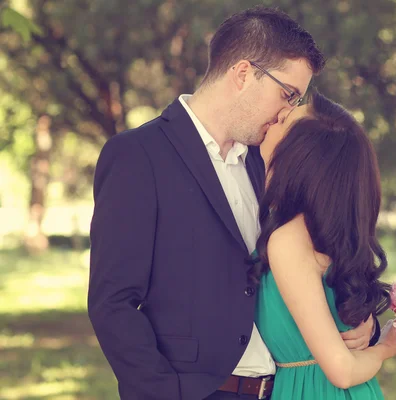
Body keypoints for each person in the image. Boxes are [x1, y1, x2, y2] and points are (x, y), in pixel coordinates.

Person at [88, 6, 379, 400]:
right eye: (288, 93)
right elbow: (113, 303)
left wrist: (367, 328)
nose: (288, 111)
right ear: (243, 74)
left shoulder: (270, 162)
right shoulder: (139, 155)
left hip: (284, 390)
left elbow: (321, 258)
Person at [249, 91, 396, 399]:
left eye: (283, 121)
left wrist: (386, 347)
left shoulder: (289, 238)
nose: (273, 119)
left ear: (296, 156)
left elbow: (343, 370)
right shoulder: (312, 230)